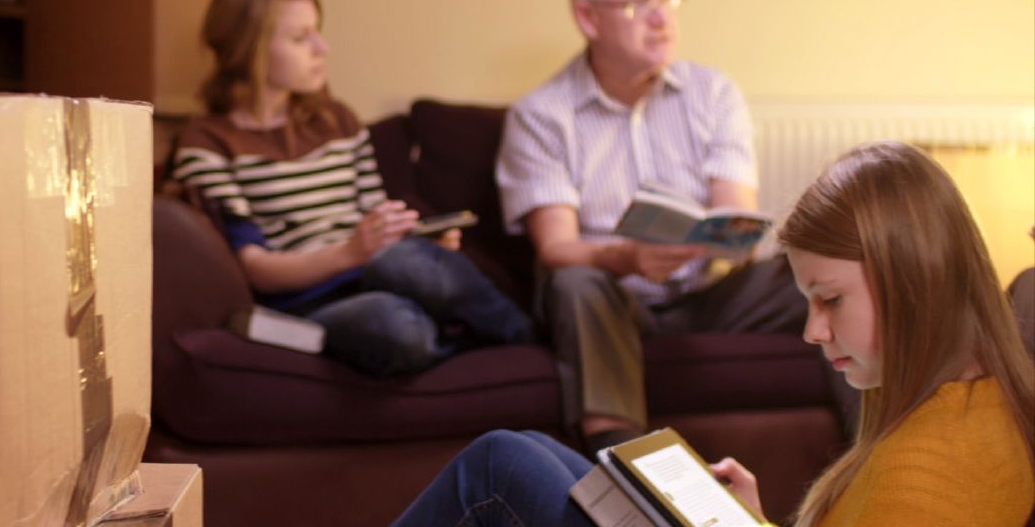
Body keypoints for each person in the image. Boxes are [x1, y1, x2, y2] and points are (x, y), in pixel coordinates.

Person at [393, 141, 1035, 526]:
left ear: (911, 279)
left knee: (498, 466)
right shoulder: (966, 400)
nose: (813, 330)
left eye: (830, 299)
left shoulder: (925, 476)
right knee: (530, 452)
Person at [495, 0, 811, 452]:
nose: (661, 19)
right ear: (589, 17)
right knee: (576, 281)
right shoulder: (541, 115)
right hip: (615, 303)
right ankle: (627, 475)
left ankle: (880, 454)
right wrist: (626, 257)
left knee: (829, 269)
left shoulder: (713, 93)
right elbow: (556, 247)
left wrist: (728, 237)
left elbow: (738, 217)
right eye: (638, 4)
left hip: (709, 294)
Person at [172, 0, 532, 377]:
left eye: (318, 32)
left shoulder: (335, 120)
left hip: (381, 271)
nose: (321, 48)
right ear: (249, 48)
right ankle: (450, 332)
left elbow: (374, 214)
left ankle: (524, 339)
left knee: (408, 262)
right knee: (395, 325)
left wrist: (413, 238)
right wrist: (349, 253)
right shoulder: (208, 143)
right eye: (300, 38)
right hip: (310, 301)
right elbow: (255, 267)